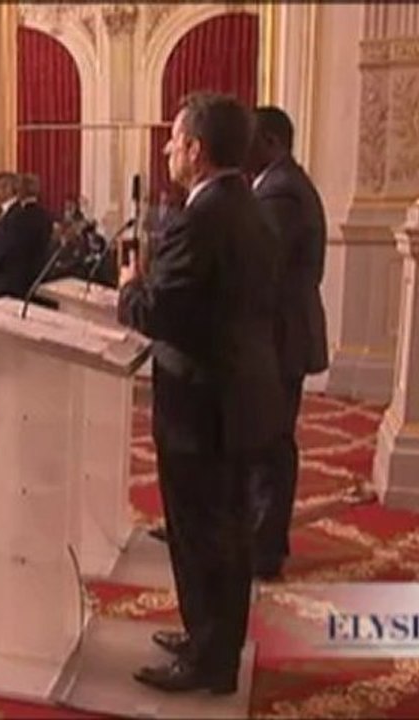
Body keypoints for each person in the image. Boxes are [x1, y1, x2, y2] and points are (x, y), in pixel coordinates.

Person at [117, 93, 285, 694]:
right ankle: (209, 639)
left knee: (202, 534)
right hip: (237, 396)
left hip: (202, 404)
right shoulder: (251, 205)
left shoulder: (202, 216)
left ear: (197, 149)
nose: (166, 149)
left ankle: (209, 660)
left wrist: (131, 285)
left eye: (173, 139)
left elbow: (165, 312)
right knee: (224, 530)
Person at [246, 106, 329, 580]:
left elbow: (262, 268)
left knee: (270, 444)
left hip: (280, 336)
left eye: (251, 139)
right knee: (267, 441)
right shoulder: (278, 184)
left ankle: (264, 548)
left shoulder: (281, 191)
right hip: (280, 333)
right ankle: (262, 539)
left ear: (273, 141)